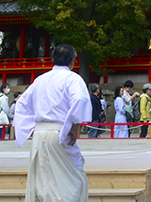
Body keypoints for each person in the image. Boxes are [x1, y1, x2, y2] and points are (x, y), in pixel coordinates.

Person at [14, 44, 91, 202]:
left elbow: (21, 104)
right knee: (74, 181)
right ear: (72, 61)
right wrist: (75, 125)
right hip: (60, 132)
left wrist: (29, 128)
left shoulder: (40, 79)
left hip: (40, 134)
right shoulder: (72, 78)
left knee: (44, 182)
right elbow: (80, 99)